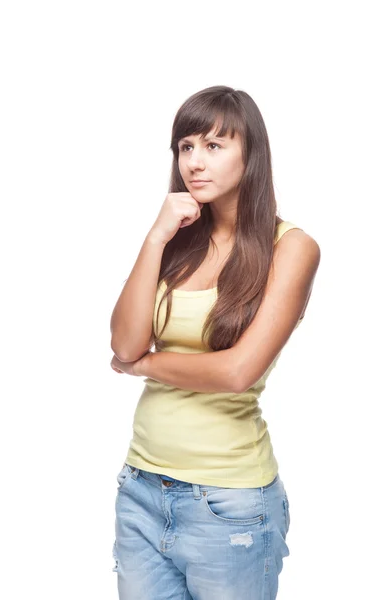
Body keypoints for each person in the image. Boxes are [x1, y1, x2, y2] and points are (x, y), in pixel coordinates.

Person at [109, 85, 321, 599]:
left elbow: (236, 372)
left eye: (214, 145)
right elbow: (123, 341)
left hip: (228, 502)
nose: (194, 163)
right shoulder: (177, 240)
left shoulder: (290, 248)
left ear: (251, 156)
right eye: (185, 147)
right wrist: (156, 237)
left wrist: (147, 367)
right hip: (141, 488)